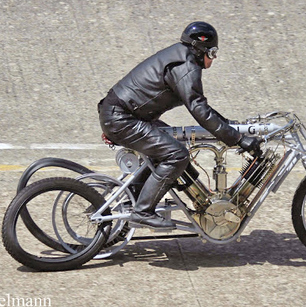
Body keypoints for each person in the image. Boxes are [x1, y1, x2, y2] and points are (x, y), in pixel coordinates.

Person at [98, 21, 261, 229]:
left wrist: (228, 126)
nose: (214, 57)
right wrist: (237, 139)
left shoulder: (181, 56)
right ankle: (142, 211)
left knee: (170, 146)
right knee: (176, 155)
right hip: (122, 118)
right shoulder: (186, 66)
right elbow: (199, 109)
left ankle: (133, 201)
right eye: (213, 52)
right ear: (200, 48)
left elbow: (201, 105)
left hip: (123, 114)